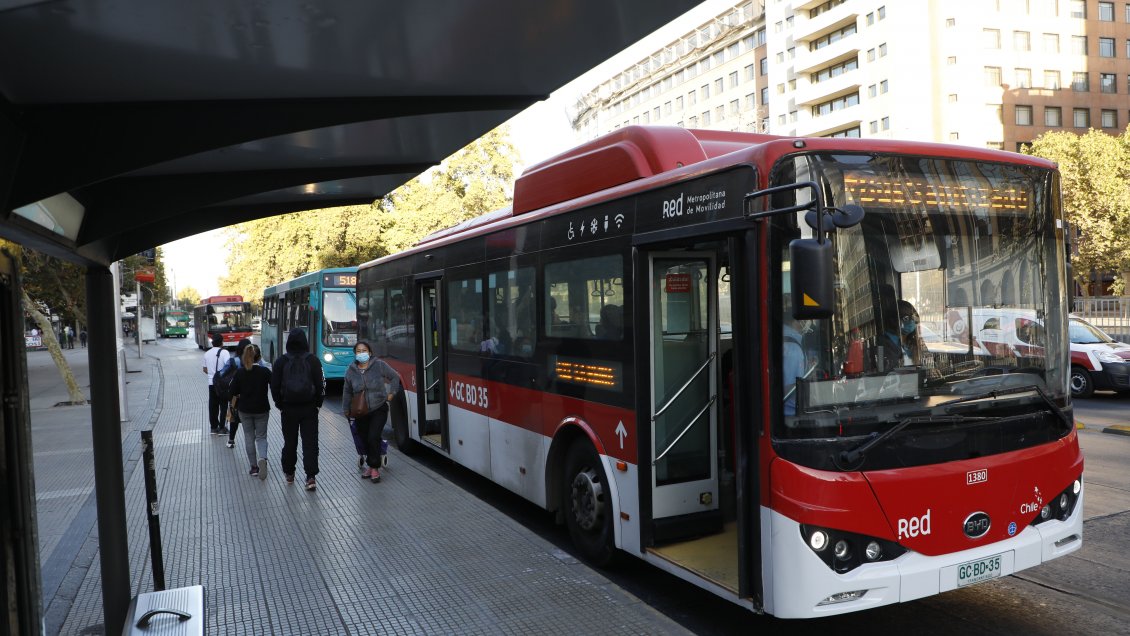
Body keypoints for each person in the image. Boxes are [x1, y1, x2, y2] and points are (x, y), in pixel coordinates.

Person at [270, 328, 325, 491]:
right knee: (310, 443)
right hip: (309, 408)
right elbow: (321, 384)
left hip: (288, 409)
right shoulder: (313, 360)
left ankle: (289, 472)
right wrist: (318, 404)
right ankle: (310, 477)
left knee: (290, 442)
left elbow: (274, 386)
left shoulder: (281, 361)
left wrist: (280, 404)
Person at [341, 340, 401, 483]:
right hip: (360, 411)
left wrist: (391, 393)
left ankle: (374, 468)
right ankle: (370, 464)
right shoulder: (350, 370)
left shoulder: (379, 365)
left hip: (378, 408)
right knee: (364, 438)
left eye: (364, 351)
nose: (361, 354)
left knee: (373, 436)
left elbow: (395, 377)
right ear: (355, 354)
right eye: (358, 351)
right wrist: (346, 409)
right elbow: (347, 391)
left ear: (370, 353)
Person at [230, 344, 271, 480]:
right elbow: (275, 385)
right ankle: (263, 458)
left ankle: (254, 467)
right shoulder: (265, 372)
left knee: (249, 437)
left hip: (245, 409)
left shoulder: (240, 373)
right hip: (262, 409)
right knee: (261, 437)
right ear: (258, 357)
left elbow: (232, 391)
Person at [220, 338, 253, 448]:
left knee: (233, 418)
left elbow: (222, 373)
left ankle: (231, 440)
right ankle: (251, 441)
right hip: (251, 395)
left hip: (235, 395)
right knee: (250, 418)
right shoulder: (255, 360)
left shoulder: (233, 361)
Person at [202, 334, 231, 435]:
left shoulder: (207, 353)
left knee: (213, 406)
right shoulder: (225, 352)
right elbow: (229, 367)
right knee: (223, 405)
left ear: (212, 342)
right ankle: (222, 428)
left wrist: (212, 374)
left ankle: (213, 427)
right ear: (222, 342)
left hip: (211, 383)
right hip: (222, 384)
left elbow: (205, 369)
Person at [782, 312, 807, 416]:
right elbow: (787, 390)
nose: (807, 322)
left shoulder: (787, 341)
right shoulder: (793, 349)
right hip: (791, 414)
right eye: (805, 319)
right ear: (796, 321)